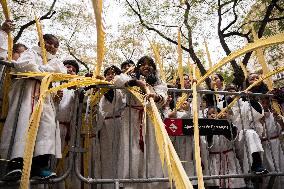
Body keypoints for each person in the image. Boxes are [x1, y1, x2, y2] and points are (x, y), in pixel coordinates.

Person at [0, 34, 66, 180]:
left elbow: (60, 73)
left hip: (45, 98)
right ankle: (16, 165)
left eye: (56, 46)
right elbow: (25, 66)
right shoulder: (30, 53)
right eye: (49, 43)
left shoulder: (56, 61)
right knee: (22, 126)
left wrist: (41, 71)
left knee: (46, 129)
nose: (52, 47)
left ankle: (40, 166)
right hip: (26, 94)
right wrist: (46, 71)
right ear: (41, 42)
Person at [114, 56, 168, 189]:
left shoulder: (158, 82)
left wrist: (154, 95)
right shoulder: (130, 77)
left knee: (151, 152)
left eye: (150, 64)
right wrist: (138, 83)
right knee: (131, 151)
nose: (146, 66)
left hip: (150, 119)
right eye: (142, 64)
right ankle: (129, 185)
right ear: (137, 67)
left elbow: (163, 97)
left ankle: (153, 185)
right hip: (131, 121)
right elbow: (117, 80)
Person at [207, 107, 245, 189]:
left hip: (229, 157)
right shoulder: (206, 127)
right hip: (214, 159)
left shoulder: (228, 124)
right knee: (215, 183)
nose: (212, 115)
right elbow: (207, 143)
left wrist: (225, 123)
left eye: (214, 113)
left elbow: (233, 137)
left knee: (233, 182)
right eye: (209, 114)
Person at [261, 98, 284, 189]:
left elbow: (282, 128)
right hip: (265, 145)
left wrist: (279, 120)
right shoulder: (256, 116)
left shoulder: (275, 115)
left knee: (280, 167)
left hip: (276, 145)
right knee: (270, 170)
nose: (265, 105)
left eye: (267, 103)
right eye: (263, 102)